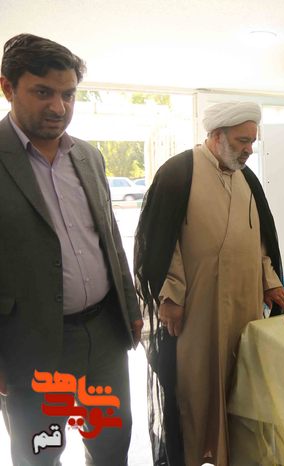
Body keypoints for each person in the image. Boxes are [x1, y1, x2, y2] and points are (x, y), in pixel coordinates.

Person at [0, 34, 141, 465]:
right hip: (28, 342)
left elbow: (109, 239)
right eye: (43, 92)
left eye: (68, 94)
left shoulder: (89, 157)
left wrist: (130, 306)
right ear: (7, 87)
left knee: (112, 443)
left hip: (104, 333)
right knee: (40, 452)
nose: (59, 107)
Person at [134, 101, 284, 466]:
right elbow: (160, 243)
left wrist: (269, 282)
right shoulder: (180, 172)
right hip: (198, 309)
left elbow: (261, 242)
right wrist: (170, 297)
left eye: (252, 141)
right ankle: (197, 455)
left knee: (239, 382)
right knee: (197, 388)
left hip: (243, 305)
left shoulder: (247, 179)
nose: (249, 149)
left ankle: (234, 456)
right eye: (242, 141)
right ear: (217, 135)